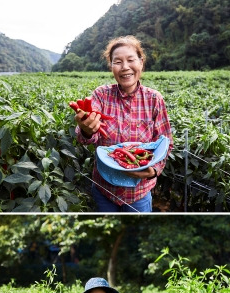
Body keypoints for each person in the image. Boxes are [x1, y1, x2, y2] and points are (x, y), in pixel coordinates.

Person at [74, 35, 173, 212]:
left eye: (130, 60)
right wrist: (87, 130)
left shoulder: (154, 99)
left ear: (141, 63)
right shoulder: (101, 95)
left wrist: (153, 170)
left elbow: (165, 142)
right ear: (111, 66)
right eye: (117, 61)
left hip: (139, 192)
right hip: (104, 189)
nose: (125, 67)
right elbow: (88, 137)